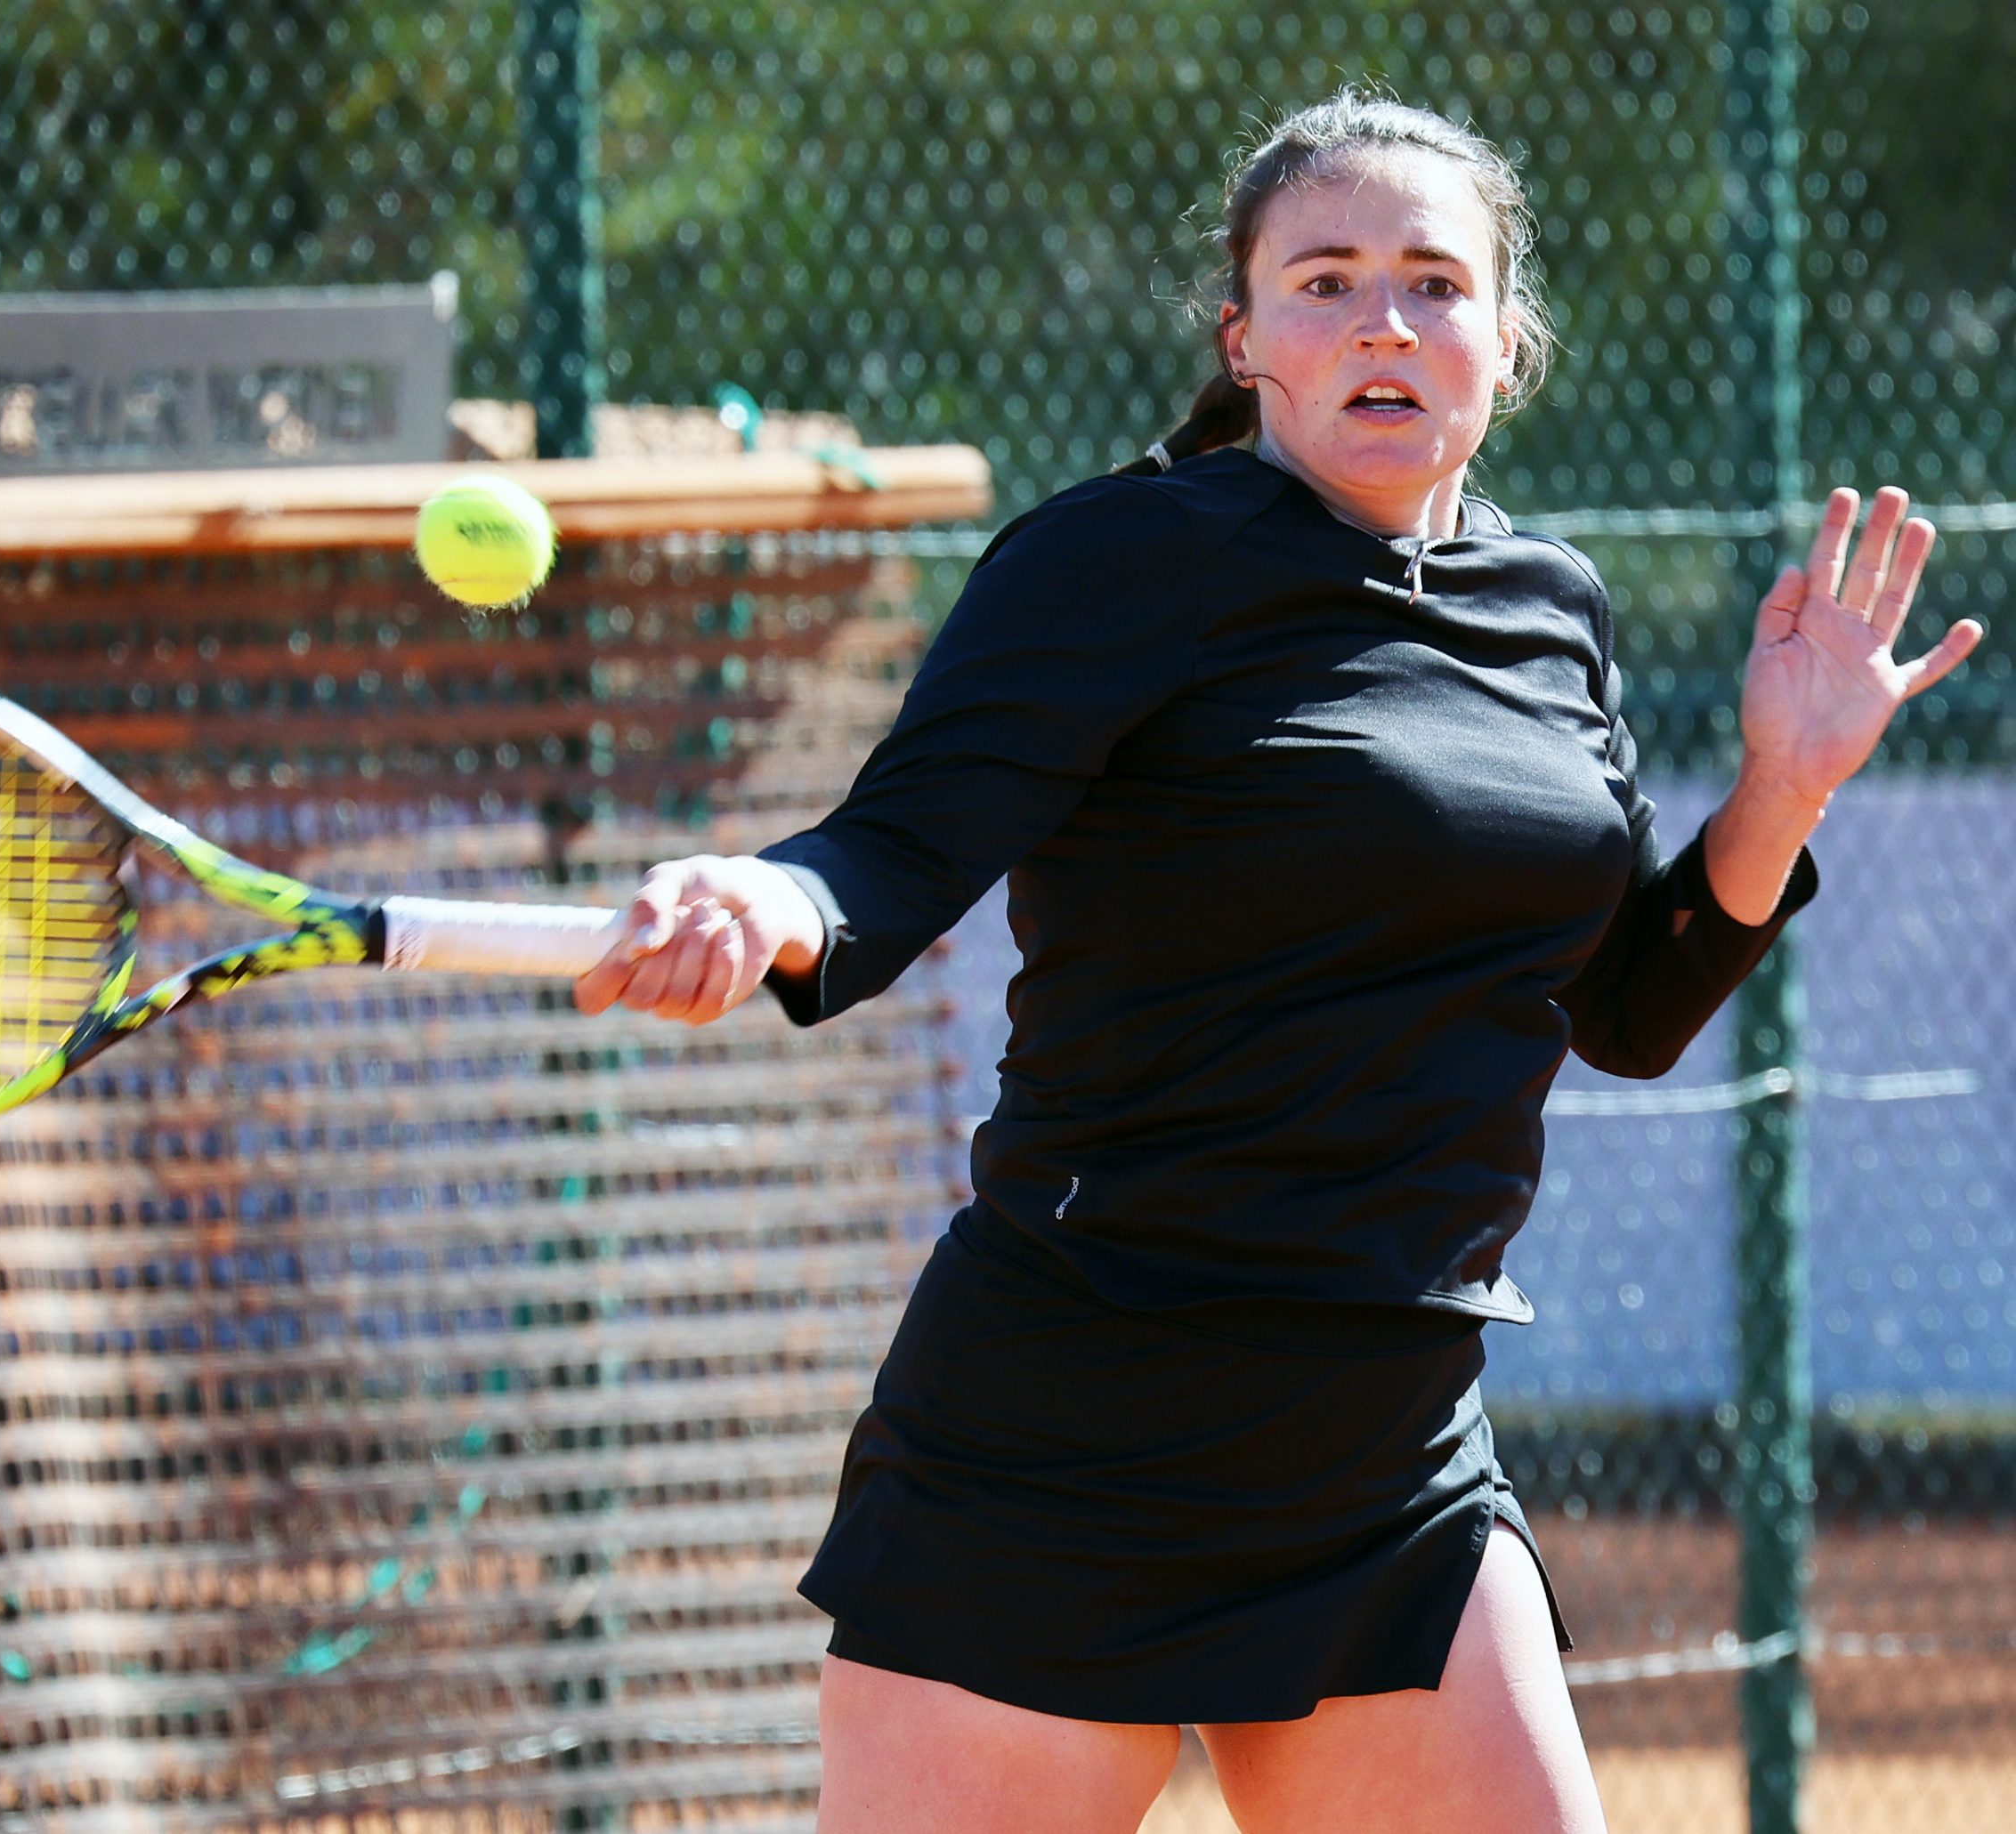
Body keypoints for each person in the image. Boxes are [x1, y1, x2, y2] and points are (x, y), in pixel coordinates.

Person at [574, 91, 1981, 1834]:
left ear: (1502, 341)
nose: (1380, 318)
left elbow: (1618, 1006)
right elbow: (891, 847)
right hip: (1071, 1425)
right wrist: (763, 901)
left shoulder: (1550, 606)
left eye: (1429, 281)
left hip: (1381, 1448)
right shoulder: (1117, 561)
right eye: (1322, 280)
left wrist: (1782, 782)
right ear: (1244, 340)